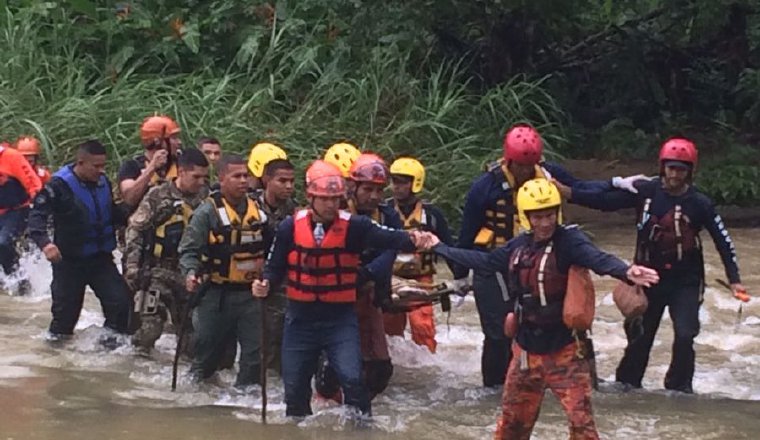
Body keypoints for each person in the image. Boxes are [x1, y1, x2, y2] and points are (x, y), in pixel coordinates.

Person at [421, 178, 659, 439]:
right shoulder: (518, 247)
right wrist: (440, 247)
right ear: (526, 217)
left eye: (549, 215)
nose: (545, 223)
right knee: (512, 426)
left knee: (582, 425)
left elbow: (597, 258)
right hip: (525, 352)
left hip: (566, 352)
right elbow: (486, 262)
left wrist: (626, 271)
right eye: (538, 217)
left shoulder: (570, 241)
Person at [455, 123, 644, 387]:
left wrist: (615, 183)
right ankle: (495, 387)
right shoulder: (485, 187)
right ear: (508, 160)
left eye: (529, 165)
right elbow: (467, 233)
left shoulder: (547, 174)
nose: (525, 171)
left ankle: (576, 380)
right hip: (497, 266)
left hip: (545, 261)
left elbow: (580, 188)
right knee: (500, 333)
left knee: (570, 322)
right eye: (520, 165)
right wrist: (460, 277)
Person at [559, 137, 746, 393]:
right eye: (671, 167)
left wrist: (734, 279)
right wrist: (568, 193)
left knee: (684, 334)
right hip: (647, 278)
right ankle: (627, 384)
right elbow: (606, 201)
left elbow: (723, 240)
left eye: (681, 169)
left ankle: (679, 388)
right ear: (662, 167)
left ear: (690, 172)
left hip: (686, 281)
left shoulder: (700, 203)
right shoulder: (646, 191)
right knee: (640, 338)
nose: (675, 174)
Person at [252, 160, 424, 417]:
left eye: (335, 198)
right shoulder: (290, 226)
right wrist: (263, 283)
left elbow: (388, 238)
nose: (331, 205)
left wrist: (416, 238)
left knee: (353, 379)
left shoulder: (355, 226)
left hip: (339, 318)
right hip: (300, 319)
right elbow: (274, 265)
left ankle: (361, 430)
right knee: (295, 389)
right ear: (311, 197)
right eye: (325, 199)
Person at [178, 153, 272, 387]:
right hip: (216, 294)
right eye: (237, 176)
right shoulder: (206, 213)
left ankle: (242, 402)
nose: (243, 181)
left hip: (251, 295)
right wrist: (190, 273)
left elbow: (272, 247)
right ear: (221, 178)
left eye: (246, 176)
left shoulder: (258, 211)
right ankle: (194, 395)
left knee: (255, 355)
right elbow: (188, 250)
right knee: (207, 353)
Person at [315, 153, 402, 402]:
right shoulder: (336, 213)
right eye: (367, 189)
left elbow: (391, 250)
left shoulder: (388, 216)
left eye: (378, 190)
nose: (373, 196)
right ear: (353, 187)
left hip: (368, 291)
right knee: (333, 365)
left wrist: (370, 274)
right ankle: (327, 399)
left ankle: (358, 405)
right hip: (336, 295)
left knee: (380, 369)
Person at [28, 140, 132, 342]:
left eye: (104, 166)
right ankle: (56, 365)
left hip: (100, 260)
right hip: (68, 262)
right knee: (64, 323)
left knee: (121, 306)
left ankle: (108, 351)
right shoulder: (59, 185)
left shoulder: (103, 183)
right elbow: (36, 217)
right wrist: (46, 244)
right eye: (96, 166)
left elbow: (111, 213)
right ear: (81, 162)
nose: (101, 171)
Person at [123, 148, 210, 354]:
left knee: (192, 339)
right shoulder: (157, 196)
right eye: (195, 176)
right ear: (181, 172)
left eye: (204, 177)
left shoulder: (207, 198)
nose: (200, 182)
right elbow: (135, 231)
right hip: (157, 272)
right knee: (149, 329)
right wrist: (132, 268)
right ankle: (137, 370)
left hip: (190, 274)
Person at [382, 157, 455, 353]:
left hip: (422, 280)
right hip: (392, 279)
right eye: (394, 181)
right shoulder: (384, 211)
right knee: (389, 331)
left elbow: (447, 247)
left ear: (415, 183)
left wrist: (460, 276)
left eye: (402, 182)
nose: (397, 187)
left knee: (423, 327)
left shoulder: (432, 215)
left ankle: (427, 363)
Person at [254, 155, 296, 373]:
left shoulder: (296, 213)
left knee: (279, 341)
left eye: (291, 181)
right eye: (282, 181)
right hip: (248, 280)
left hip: (282, 283)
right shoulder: (249, 207)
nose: (288, 186)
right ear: (266, 180)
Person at [118, 115, 182, 208]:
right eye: (174, 138)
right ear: (157, 141)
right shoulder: (131, 167)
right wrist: (151, 168)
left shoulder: (181, 162)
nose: (179, 142)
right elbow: (129, 199)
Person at [0, 144, 42, 287]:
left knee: (3, 243)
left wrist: (38, 209)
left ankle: (19, 281)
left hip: (17, 209)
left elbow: (33, 183)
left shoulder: (11, 157)